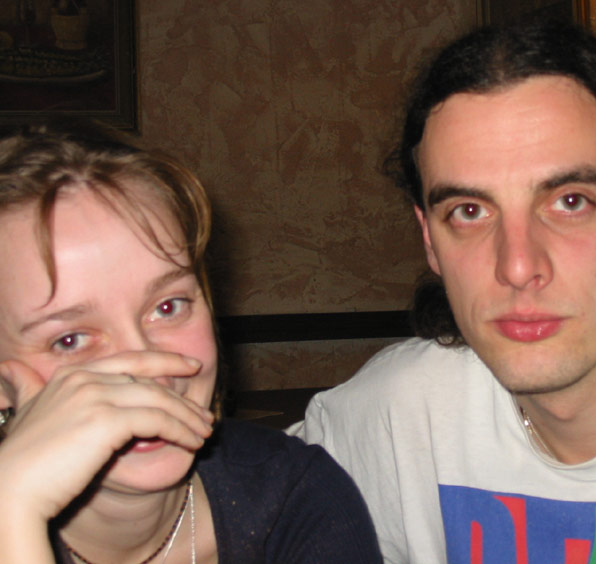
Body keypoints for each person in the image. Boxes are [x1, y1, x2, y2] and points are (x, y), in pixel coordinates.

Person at [290, 20, 596, 563]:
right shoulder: (399, 421)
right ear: (429, 240)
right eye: (469, 211)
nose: (516, 266)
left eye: (570, 202)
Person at [0, 121, 381, 563]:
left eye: (168, 307)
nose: (148, 372)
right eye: (70, 339)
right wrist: (12, 510)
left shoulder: (295, 497)